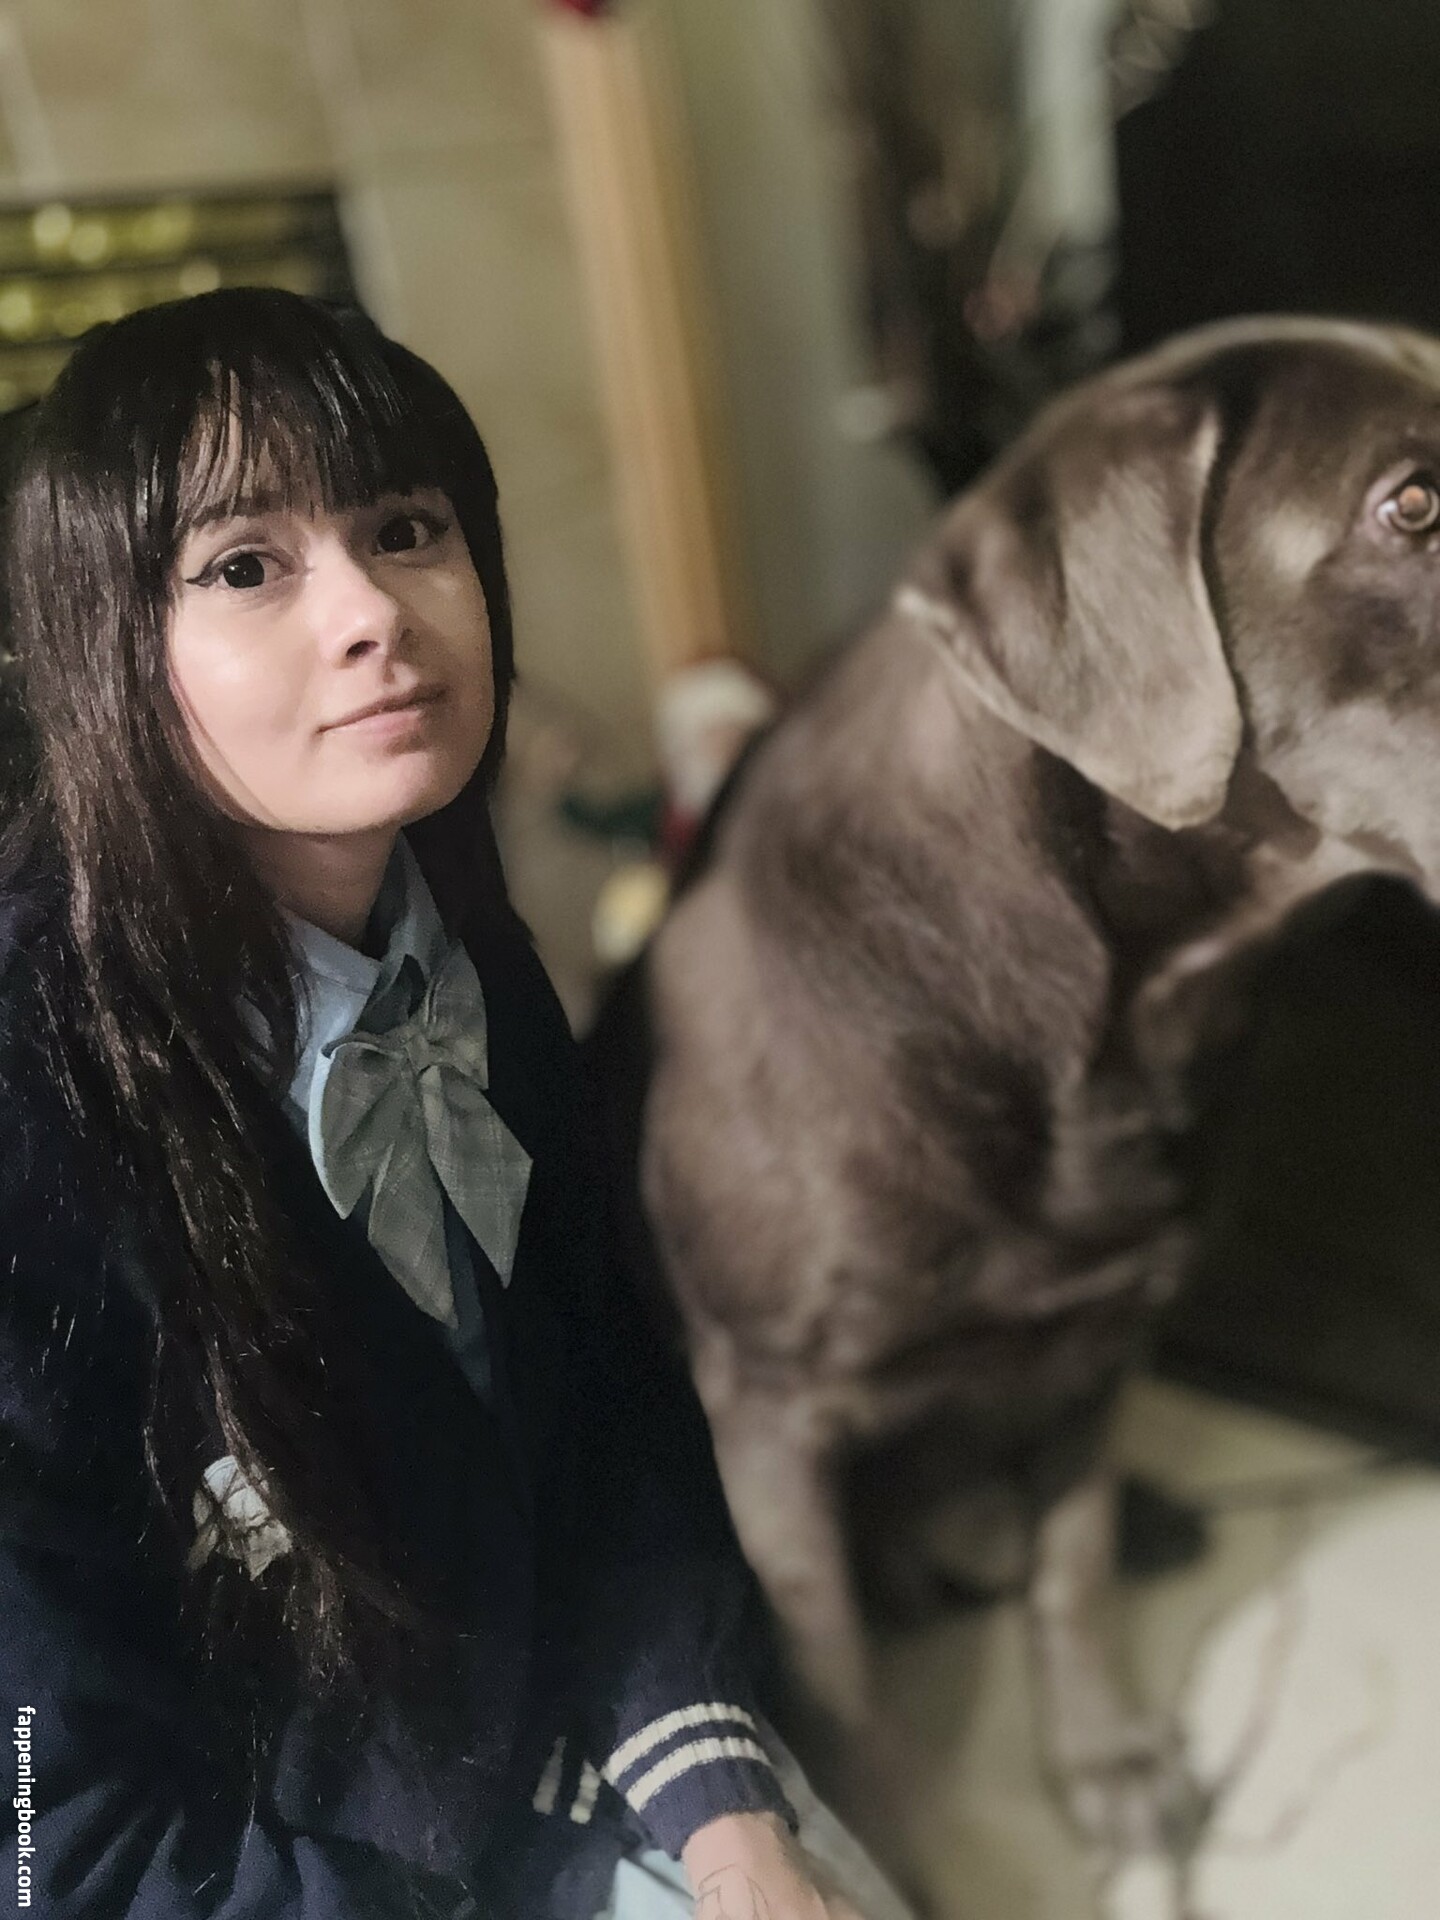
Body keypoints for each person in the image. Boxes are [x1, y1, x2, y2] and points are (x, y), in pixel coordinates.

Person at [0, 289, 908, 1920]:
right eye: (245, 565)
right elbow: (61, 1833)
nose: (372, 614)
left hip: (540, 1730)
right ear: (101, 650)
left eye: (405, 529)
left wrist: (726, 1828)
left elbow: (611, 1416)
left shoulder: (464, 950)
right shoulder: (29, 1101)